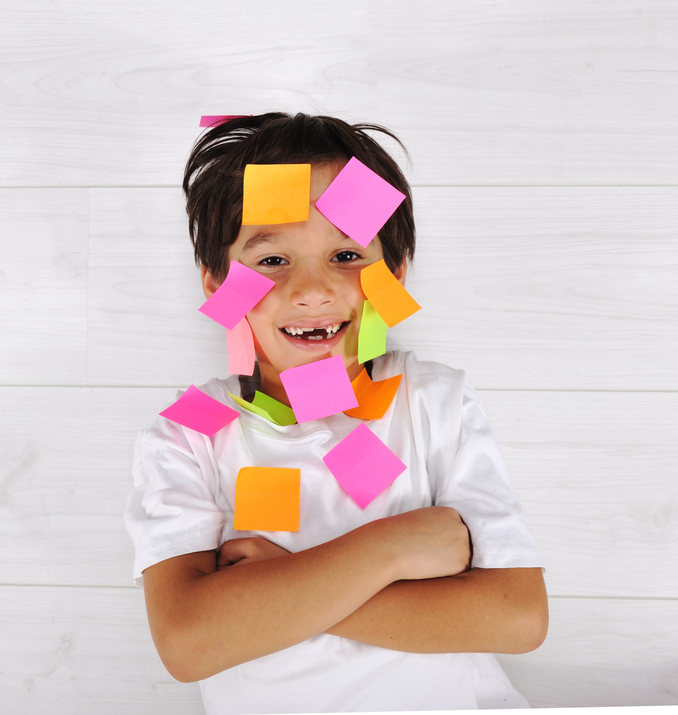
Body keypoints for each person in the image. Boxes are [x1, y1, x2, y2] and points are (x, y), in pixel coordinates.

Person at [124, 113, 548, 714]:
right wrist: (395, 549)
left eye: (346, 254)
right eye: (272, 260)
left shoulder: (430, 399)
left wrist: (272, 591)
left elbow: (517, 616)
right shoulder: (189, 433)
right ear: (218, 283)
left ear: (393, 276)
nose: (312, 289)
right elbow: (191, 642)